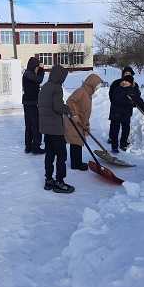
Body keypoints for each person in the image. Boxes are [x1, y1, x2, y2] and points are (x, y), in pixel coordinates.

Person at [38, 65, 74, 193]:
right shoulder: (57, 88)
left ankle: (48, 180)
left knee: (49, 154)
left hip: (45, 128)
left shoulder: (45, 87)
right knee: (61, 155)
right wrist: (67, 109)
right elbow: (57, 106)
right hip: (56, 129)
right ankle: (60, 182)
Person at [65, 74, 103, 171]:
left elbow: (85, 112)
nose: (97, 89)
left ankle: (77, 162)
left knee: (79, 142)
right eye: (96, 86)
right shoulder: (81, 91)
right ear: (91, 84)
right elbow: (70, 100)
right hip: (74, 122)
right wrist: (74, 114)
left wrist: (86, 126)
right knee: (76, 142)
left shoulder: (88, 94)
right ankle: (75, 164)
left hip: (80, 122)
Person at [109, 75, 144, 153]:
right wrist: (130, 102)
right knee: (115, 130)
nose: (124, 82)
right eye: (124, 80)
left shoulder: (133, 92)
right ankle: (114, 146)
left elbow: (140, 103)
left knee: (126, 130)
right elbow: (116, 100)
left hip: (126, 114)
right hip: (116, 113)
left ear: (131, 83)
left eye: (127, 81)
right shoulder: (117, 90)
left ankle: (123, 143)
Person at [107, 66, 140, 144]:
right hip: (116, 109)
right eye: (126, 73)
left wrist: (135, 103)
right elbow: (112, 95)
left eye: (129, 73)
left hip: (127, 110)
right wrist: (117, 103)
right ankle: (112, 138)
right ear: (123, 74)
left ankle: (124, 141)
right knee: (115, 125)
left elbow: (137, 97)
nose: (127, 75)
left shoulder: (134, 85)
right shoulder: (116, 83)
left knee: (126, 127)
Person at [22, 57, 45, 155]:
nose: (37, 69)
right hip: (31, 103)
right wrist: (41, 69)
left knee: (30, 125)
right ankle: (35, 147)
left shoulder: (28, 74)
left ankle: (29, 147)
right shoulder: (28, 74)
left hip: (29, 102)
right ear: (33, 66)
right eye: (37, 67)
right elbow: (39, 79)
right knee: (35, 125)